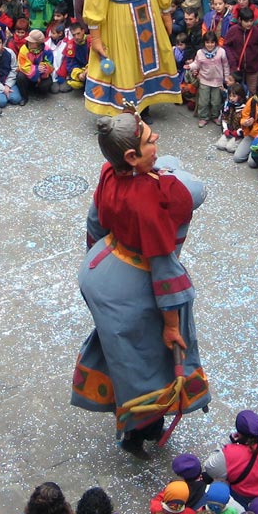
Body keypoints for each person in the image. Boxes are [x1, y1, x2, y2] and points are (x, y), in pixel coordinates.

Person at [70, 108, 209, 458]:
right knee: (151, 364)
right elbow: (164, 268)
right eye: (149, 140)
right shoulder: (151, 200)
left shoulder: (109, 172)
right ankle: (139, 427)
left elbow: (94, 221)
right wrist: (172, 325)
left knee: (121, 349)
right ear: (131, 156)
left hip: (101, 267)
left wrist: (94, 257)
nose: (156, 139)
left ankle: (131, 414)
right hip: (132, 286)